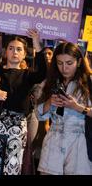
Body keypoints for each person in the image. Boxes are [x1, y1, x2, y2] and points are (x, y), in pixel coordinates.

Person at [0, 30, 46, 175]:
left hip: (16, 128)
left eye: (19, 49)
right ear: (6, 52)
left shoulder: (27, 76)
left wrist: (37, 42)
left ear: (24, 54)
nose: (15, 52)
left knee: (12, 167)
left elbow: (43, 72)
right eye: (11, 48)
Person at [37, 42, 92, 175]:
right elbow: (39, 114)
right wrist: (50, 102)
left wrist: (77, 107)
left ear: (78, 62)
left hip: (80, 142)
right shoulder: (49, 82)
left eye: (69, 63)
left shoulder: (89, 82)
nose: (64, 68)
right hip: (53, 140)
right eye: (60, 63)